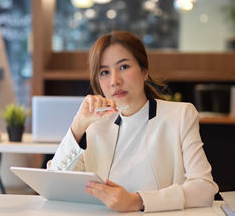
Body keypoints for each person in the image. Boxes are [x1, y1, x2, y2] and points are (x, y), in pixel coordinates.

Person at [47, 31, 218, 213]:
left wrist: (137, 201)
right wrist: (78, 125)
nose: (114, 81)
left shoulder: (180, 116)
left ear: (144, 71)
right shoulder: (95, 125)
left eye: (124, 67)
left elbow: (204, 189)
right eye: (104, 72)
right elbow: (53, 185)